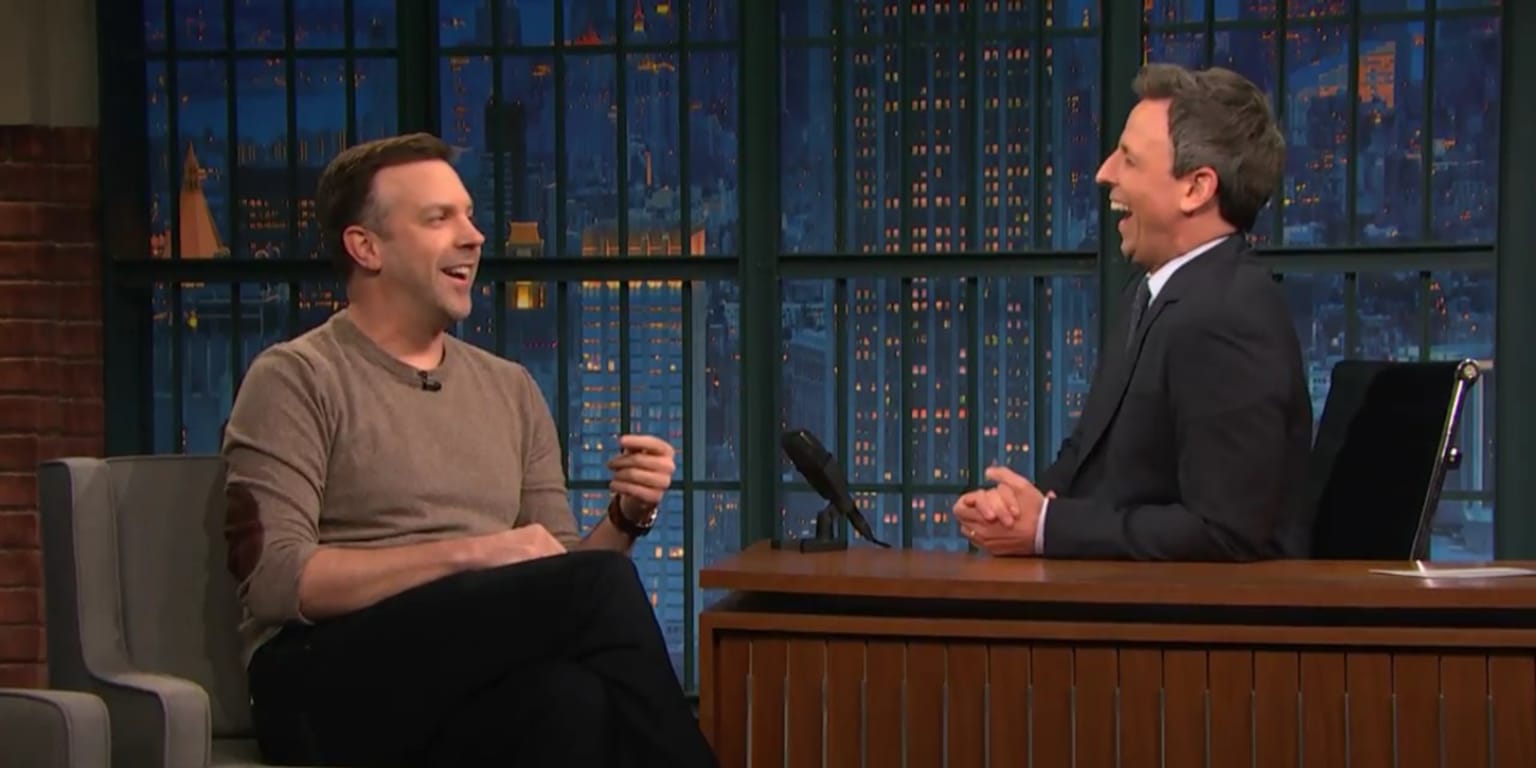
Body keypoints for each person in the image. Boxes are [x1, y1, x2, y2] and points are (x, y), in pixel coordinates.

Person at [221, 132, 719, 767]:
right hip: (321, 685)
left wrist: (625, 517)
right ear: (365, 246)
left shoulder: (509, 389)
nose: (475, 236)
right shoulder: (296, 377)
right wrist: (476, 554)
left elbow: (559, 573)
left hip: (459, 682)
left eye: (470, 215)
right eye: (439, 219)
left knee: (569, 700)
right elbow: (276, 582)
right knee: (595, 597)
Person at [953, 63, 1313, 561]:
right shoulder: (1152, 296)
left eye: (1129, 160)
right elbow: (1088, 460)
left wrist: (1048, 529)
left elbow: (1225, 532)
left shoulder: (1228, 316)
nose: (1104, 174)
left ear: (1196, 188)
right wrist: (1017, 511)